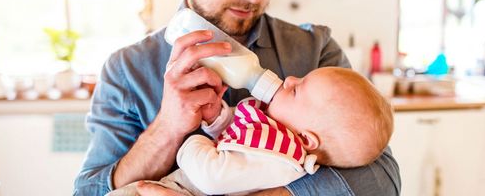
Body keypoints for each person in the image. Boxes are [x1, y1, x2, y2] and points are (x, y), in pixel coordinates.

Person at [73, 0, 401, 195]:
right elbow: (87, 192)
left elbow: (381, 179)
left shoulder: (314, 51)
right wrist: (167, 130)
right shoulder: (128, 70)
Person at [107, 67, 394, 196]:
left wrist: (193, 141)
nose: (290, 78)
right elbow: (239, 141)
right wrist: (218, 118)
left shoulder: (280, 160)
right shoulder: (277, 134)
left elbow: (213, 176)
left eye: (296, 90)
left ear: (306, 139)